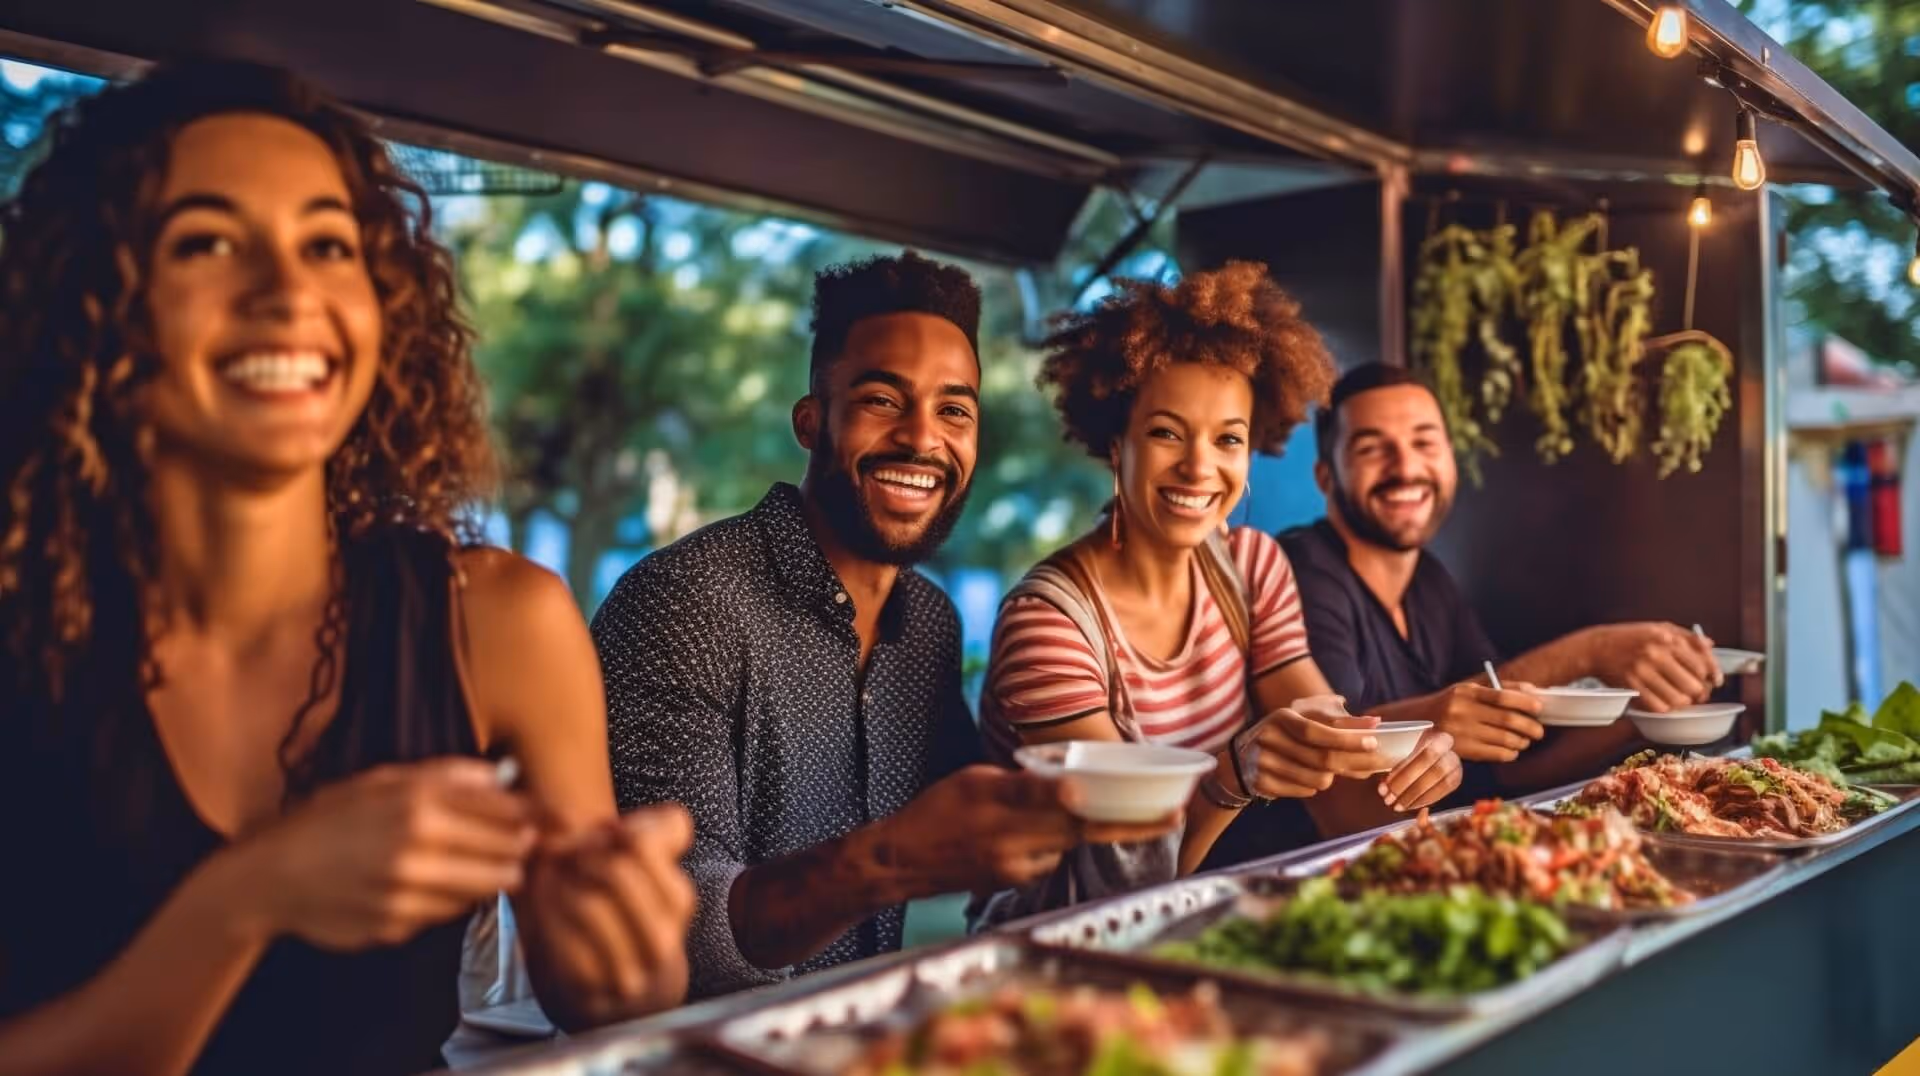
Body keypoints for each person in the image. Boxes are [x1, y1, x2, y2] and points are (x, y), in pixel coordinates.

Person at [0, 63, 695, 1076]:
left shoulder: (502, 623)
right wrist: (246, 898)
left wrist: (627, 956)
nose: (288, 293)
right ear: (96, 303)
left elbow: (611, 1000)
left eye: (328, 245)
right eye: (207, 242)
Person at [593, 251, 1178, 1001]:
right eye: (881, 399)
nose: (922, 439)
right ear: (812, 420)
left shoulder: (929, 622)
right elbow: (670, 933)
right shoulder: (683, 603)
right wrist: (889, 861)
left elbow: (988, 822)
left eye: (954, 410)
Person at [978, 262, 1463, 907]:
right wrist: (1230, 777)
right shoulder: (1050, 624)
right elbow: (1118, 876)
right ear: (1115, 443)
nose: (1199, 467)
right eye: (1165, 433)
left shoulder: (1253, 568)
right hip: (1059, 950)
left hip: (1202, 922)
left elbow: (1333, 768)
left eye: (1227, 439)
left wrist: (1417, 770)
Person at [1282, 362, 1722, 796]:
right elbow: (1339, 768)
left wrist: (1646, 719)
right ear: (1326, 477)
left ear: (1451, 461)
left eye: (1424, 443)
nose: (1406, 468)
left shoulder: (1429, 582)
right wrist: (1592, 651)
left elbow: (1506, 769)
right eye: (1372, 449)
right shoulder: (1300, 572)